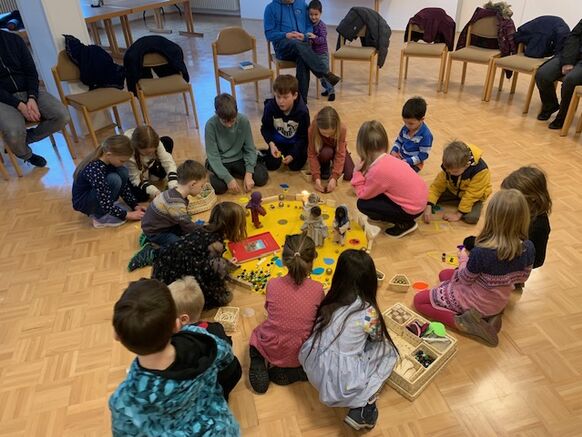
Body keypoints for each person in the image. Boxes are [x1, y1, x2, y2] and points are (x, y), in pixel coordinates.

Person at [109, 279, 240, 436]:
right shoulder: (204, 340)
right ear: (177, 324)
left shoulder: (124, 401)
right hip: (220, 429)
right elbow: (227, 359)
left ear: (117, 335)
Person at [414, 190, 535, 347]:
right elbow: (523, 278)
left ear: (492, 218)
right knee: (444, 274)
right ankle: (489, 316)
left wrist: (463, 257)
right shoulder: (529, 247)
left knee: (420, 301)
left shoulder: (483, 252)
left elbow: (465, 279)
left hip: (475, 302)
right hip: (498, 301)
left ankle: (464, 323)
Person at [299, 250, 398, 431]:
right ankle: (363, 407)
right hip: (342, 382)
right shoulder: (368, 312)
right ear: (370, 281)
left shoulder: (331, 297)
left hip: (314, 367)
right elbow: (377, 337)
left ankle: (357, 402)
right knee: (389, 353)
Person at [248, 234, 324, 394]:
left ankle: (258, 359)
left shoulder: (272, 284)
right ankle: (297, 370)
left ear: (283, 260)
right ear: (311, 263)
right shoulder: (318, 289)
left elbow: (270, 310)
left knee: (257, 334)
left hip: (274, 346)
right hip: (302, 352)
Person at [151, 201, 246, 309]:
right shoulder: (216, 244)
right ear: (232, 226)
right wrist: (226, 265)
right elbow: (211, 269)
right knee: (223, 297)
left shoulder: (204, 228)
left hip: (167, 262)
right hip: (179, 270)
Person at [0, 29, 70, 167]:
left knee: (62, 116)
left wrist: (32, 97)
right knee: (13, 134)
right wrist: (19, 104)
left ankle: (24, 140)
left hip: (29, 91)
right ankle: (26, 154)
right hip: (3, 100)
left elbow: (31, 71)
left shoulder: (14, 39)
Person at [168, 276, 242, 401]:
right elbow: (228, 344)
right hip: (232, 370)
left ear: (183, 319)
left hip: (219, 378)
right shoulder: (216, 327)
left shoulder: (180, 343)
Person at [351, 120, 428, 238]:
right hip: (420, 201)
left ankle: (405, 223)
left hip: (412, 209)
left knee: (362, 204)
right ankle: (391, 215)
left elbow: (362, 194)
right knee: (376, 194)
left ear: (362, 147)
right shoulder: (388, 158)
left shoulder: (378, 170)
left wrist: (356, 173)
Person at [264, 0, 341, 103]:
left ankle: (301, 101)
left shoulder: (302, 4)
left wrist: (304, 36)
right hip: (283, 48)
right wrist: (285, 35)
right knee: (297, 45)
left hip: (302, 46)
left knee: (303, 58)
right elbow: (269, 34)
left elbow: (309, 26)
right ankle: (326, 73)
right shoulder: (270, 8)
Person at [72, 135, 145, 228]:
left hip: (98, 196)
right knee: (114, 179)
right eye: (122, 161)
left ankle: (109, 208)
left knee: (123, 171)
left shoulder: (109, 160)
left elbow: (124, 188)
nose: (123, 163)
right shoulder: (95, 169)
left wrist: (134, 205)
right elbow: (105, 202)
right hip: (84, 202)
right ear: (109, 155)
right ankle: (100, 216)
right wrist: (127, 215)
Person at [205, 94, 269, 195]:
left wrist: (249, 173)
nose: (229, 125)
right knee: (219, 187)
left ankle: (234, 173)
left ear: (237, 112)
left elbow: (250, 149)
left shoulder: (243, 120)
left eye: (232, 120)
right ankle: (229, 173)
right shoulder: (210, 125)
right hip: (221, 160)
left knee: (261, 177)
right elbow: (213, 156)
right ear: (216, 114)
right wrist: (228, 179)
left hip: (239, 158)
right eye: (225, 121)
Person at [141, 160, 207, 247]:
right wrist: (205, 230)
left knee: (187, 232)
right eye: (201, 186)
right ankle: (154, 247)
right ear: (193, 184)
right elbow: (186, 225)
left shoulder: (174, 192)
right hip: (156, 232)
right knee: (180, 245)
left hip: (164, 224)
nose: (202, 189)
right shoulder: (176, 203)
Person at [423, 141, 492, 225]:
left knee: (471, 218)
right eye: (448, 170)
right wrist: (429, 205)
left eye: (455, 172)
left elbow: (472, 194)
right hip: (454, 189)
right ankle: (458, 200)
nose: (450, 173)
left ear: (466, 165)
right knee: (423, 198)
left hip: (475, 195)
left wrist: (458, 214)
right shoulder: (449, 167)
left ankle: (474, 203)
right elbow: (436, 187)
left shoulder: (481, 171)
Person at [535, 19, 582, 129]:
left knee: (569, 80)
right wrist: (568, 61)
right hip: (572, 54)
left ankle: (563, 116)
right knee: (542, 74)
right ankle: (550, 105)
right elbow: (574, 36)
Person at [501, 166, 551, 269]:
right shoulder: (517, 209)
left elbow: (538, 261)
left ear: (532, 198)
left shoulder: (539, 227)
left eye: (511, 197)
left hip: (515, 269)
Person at [260, 75, 310, 172]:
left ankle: (292, 153)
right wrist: (271, 144)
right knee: (271, 165)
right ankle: (265, 153)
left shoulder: (302, 111)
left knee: (295, 167)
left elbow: (304, 136)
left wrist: (293, 154)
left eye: (285, 97)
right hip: (277, 144)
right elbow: (265, 128)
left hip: (295, 143)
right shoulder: (270, 107)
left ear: (295, 95)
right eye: (278, 97)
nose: (281, 101)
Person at [307, 106, 354, 193]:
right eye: (324, 133)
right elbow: (312, 154)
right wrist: (316, 178)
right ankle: (325, 165)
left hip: (337, 148)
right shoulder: (312, 129)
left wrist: (334, 177)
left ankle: (330, 167)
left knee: (349, 174)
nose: (327, 136)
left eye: (331, 133)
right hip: (323, 150)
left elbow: (340, 154)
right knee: (326, 153)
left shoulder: (342, 129)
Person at [125, 125, 178, 202]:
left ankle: (154, 174)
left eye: (152, 152)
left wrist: (173, 182)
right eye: (146, 153)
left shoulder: (156, 143)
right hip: (131, 172)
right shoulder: (128, 152)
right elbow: (135, 178)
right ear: (137, 148)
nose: (149, 155)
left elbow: (168, 161)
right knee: (142, 197)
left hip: (149, 164)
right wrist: (153, 191)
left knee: (167, 141)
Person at [390, 96, 433, 172]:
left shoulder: (426, 136)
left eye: (411, 123)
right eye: (405, 122)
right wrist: (394, 150)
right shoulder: (405, 128)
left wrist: (407, 161)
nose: (407, 125)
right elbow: (399, 141)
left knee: (402, 175)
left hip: (414, 163)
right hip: (401, 157)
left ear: (422, 119)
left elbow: (423, 155)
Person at [306, 0, 334, 101]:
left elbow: (322, 40)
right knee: (320, 75)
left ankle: (332, 92)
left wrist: (314, 37)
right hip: (314, 54)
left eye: (316, 14)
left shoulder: (322, 26)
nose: (313, 17)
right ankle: (327, 89)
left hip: (322, 54)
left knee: (325, 73)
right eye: (311, 14)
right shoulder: (309, 25)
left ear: (320, 13)